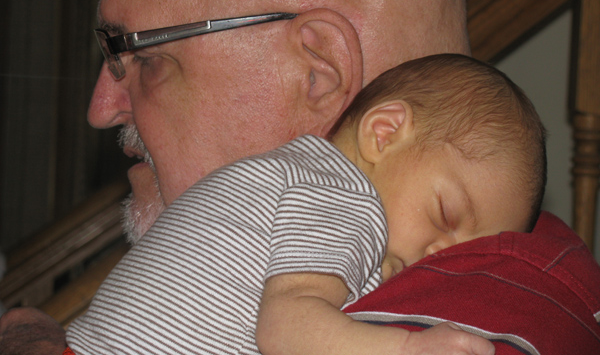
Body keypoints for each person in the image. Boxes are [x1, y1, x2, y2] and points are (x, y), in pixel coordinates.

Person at [65, 54, 545, 355]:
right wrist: (407, 348)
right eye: (446, 214)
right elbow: (287, 329)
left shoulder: (295, 173)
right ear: (384, 133)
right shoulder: (345, 198)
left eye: (462, 252)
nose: (440, 253)